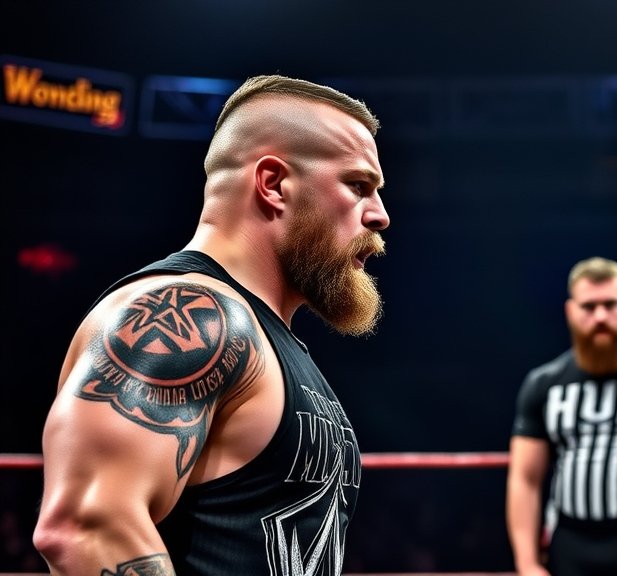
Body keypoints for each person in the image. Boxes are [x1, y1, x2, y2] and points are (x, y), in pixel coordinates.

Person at [33, 74, 389, 575]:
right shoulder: (190, 314)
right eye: (358, 186)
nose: (380, 215)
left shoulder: (265, 338)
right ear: (273, 184)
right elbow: (86, 528)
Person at [506, 257, 617, 576]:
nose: (600, 316)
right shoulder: (544, 383)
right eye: (589, 307)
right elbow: (525, 479)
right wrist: (527, 563)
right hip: (567, 541)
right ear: (570, 311)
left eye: (610, 305)